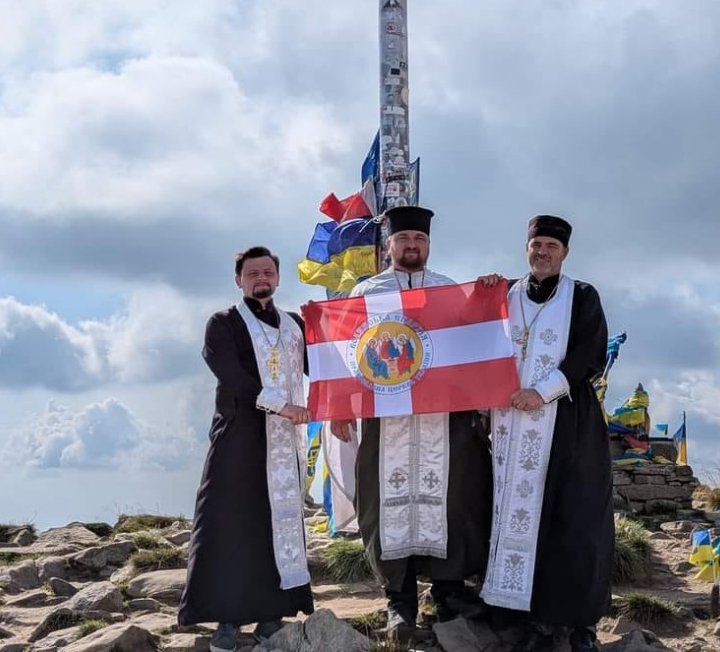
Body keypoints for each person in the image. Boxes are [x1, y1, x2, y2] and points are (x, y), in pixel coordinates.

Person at [331, 206, 492, 642]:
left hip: (445, 416)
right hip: (389, 419)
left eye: (418, 240)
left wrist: (487, 294)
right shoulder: (368, 291)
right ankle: (398, 600)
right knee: (385, 503)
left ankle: (448, 591)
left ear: (428, 244)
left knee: (453, 499)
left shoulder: (449, 290)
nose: (411, 246)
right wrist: (340, 404)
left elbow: (474, 341)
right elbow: (345, 351)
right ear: (389, 246)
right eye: (403, 240)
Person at [478, 215, 612, 652]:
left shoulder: (582, 296)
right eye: (536, 245)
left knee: (574, 520)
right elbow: (477, 339)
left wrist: (543, 391)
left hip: (567, 422)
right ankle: (526, 617)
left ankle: (577, 623)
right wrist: (481, 294)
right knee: (514, 516)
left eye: (551, 246)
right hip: (509, 429)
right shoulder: (505, 293)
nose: (543, 252)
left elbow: (590, 353)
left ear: (565, 253)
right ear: (527, 247)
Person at [178, 247, 313, 652]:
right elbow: (232, 375)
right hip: (238, 437)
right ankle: (227, 621)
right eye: (252, 273)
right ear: (239, 280)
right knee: (227, 524)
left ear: (278, 279)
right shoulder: (223, 323)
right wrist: (281, 405)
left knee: (276, 524)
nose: (261, 278)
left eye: (268, 272)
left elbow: (328, 363)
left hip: (284, 442)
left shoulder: (295, 326)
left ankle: (271, 614)